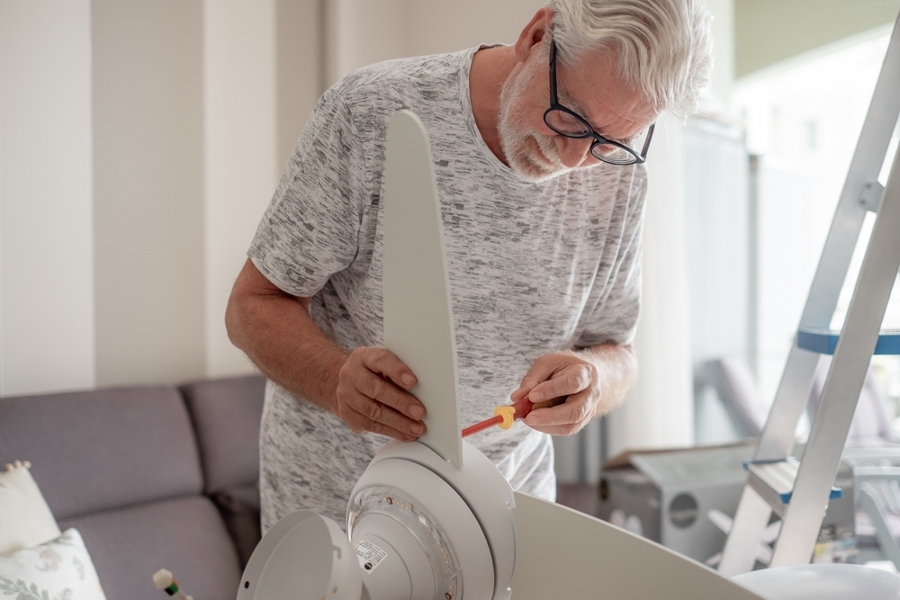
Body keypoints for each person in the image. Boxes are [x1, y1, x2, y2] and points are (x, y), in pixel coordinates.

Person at [226, 0, 714, 531]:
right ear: (537, 35)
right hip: (340, 513)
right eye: (570, 117)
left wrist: (594, 380)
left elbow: (618, 351)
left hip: (503, 520)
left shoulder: (621, 175)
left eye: (610, 140)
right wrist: (335, 379)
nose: (574, 160)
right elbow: (252, 306)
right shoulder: (370, 113)